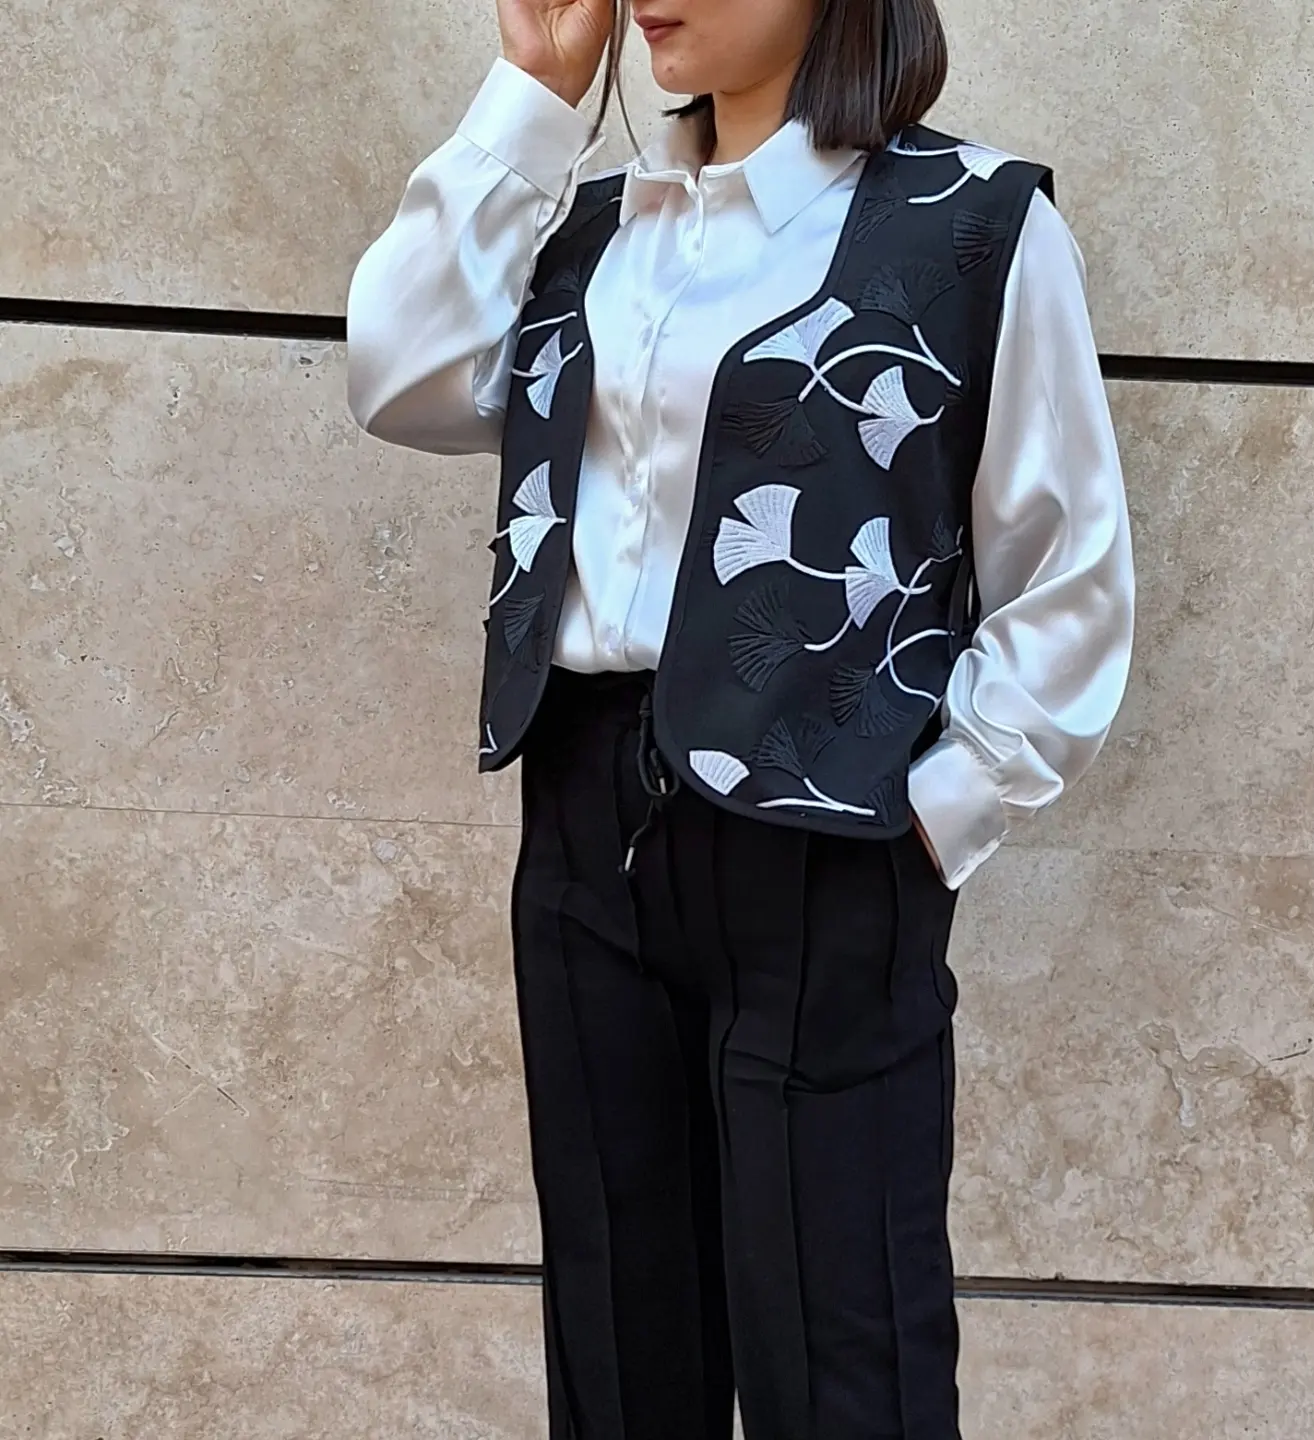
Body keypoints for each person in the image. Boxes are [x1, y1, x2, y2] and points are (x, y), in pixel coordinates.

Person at [347, 0, 1134, 1433]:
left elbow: (1067, 572)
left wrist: (933, 817)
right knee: (617, 1357)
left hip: (831, 843)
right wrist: (533, 94)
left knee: (847, 1370)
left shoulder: (973, 225)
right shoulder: (592, 229)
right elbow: (400, 374)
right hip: (585, 827)